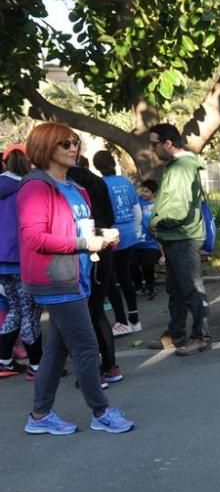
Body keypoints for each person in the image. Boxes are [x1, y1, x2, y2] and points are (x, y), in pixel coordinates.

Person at [18, 122, 134, 435]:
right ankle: (101, 411)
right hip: (56, 279)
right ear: (45, 148)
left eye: (74, 143)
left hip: (76, 276)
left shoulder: (74, 187)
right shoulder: (36, 187)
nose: (73, 148)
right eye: (64, 144)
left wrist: (100, 235)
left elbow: (74, 230)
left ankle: (40, 415)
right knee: (85, 347)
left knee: (56, 350)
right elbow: (35, 238)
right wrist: (86, 243)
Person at [148, 123, 210, 356]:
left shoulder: (181, 167)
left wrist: (155, 224)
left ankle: (201, 336)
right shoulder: (179, 166)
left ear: (168, 143)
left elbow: (178, 209)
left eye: (154, 144)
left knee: (192, 290)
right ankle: (176, 334)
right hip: (176, 237)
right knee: (176, 291)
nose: (152, 149)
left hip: (182, 237)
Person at [68, 155, 122, 387]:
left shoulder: (68, 187)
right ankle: (110, 366)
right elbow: (110, 216)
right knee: (97, 311)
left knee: (84, 315)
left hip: (84, 249)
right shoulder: (99, 181)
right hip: (104, 245)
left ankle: (95, 371)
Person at [0, 143, 43, 378]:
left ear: (5, 162)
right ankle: (36, 365)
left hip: (2, 260)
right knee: (30, 311)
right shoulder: (28, 188)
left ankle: (4, 359)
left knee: (15, 309)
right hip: (22, 259)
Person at [92, 150, 142, 336]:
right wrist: (135, 229)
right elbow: (136, 209)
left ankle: (121, 321)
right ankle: (134, 319)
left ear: (96, 166)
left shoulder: (99, 184)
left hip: (111, 235)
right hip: (129, 233)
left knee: (110, 281)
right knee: (126, 277)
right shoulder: (125, 182)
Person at [131, 179, 161, 300]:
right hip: (136, 242)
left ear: (154, 193)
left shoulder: (157, 206)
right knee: (131, 264)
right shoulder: (138, 202)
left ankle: (150, 286)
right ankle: (138, 287)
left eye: (147, 191)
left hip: (151, 243)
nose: (143, 193)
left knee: (147, 263)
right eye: (142, 190)